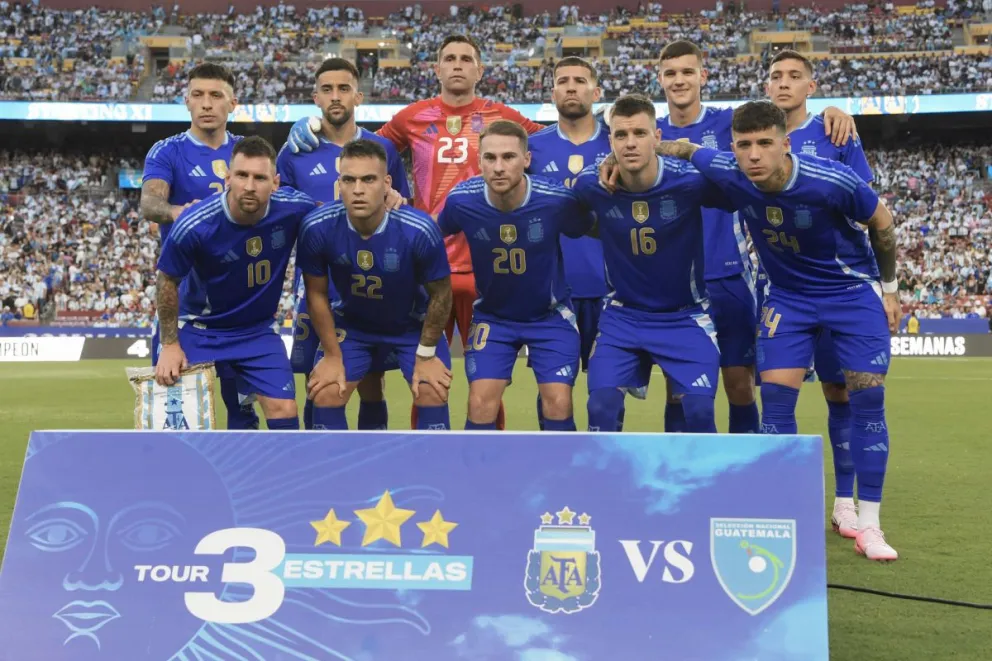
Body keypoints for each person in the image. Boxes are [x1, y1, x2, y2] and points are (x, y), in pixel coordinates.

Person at [657, 100, 900, 561]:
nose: (753, 155)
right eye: (744, 145)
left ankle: (869, 524)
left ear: (785, 144)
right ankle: (783, 512)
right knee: (777, 401)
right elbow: (687, 149)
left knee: (867, 399)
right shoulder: (729, 170)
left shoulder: (831, 181)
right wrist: (625, 153)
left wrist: (889, 289)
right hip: (788, 300)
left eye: (765, 144)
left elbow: (882, 223)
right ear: (733, 147)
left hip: (850, 296)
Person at [287, 34, 549, 429]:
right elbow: (364, 148)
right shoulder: (412, 116)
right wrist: (315, 127)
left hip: (487, 265)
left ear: (480, 70)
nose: (457, 65)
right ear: (437, 68)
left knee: (486, 383)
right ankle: (424, 454)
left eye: (466, 59)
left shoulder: (504, 117)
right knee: (423, 376)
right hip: (428, 267)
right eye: (449, 58)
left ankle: (488, 457)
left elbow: (553, 145)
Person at [601, 40, 857, 436]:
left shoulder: (729, 122)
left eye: (688, 71)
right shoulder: (646, 133)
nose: (680, 80)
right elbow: (615, 144)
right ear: (660, 79)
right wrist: (610, 157)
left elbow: (779, 117)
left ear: (703, 76)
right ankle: (684, 480)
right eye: (671, 73)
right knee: (679, 390)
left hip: (727, 272)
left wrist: (830, 110)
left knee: (739, 384)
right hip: (673, 285)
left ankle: (744, 480)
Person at [767, 49, 876, 540]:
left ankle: (844, 502)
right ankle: (783, 500)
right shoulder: (753, 136)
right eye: (775, 76)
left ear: (812, 87)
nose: (784, 83)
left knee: (841, 391)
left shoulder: (835, 132)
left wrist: (837, 111)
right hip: (780, 288)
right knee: (773, 394)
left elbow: (863, 206)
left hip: (836, 285)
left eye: (795, 76)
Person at [574, 94, 731, 434]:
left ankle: (693, 485)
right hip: (623, 315)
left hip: (685, 314)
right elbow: (570, 218)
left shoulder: (689, 181)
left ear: (657, 137)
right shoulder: (593, 184)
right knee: (600, 406)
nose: (630, 143)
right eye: (621, 135)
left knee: (700, 412)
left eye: (640, 134)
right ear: (610, 141)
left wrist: (691, 151)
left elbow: (741, 181)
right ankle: (609, 486)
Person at [276, 57, 409, 431]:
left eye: (344, 88)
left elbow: (403, 208)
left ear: (358, 96)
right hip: (317, 284)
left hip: (371, 284)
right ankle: (316, 462)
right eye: (328, 89)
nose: (336, 97)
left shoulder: (382, 148)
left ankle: (370, 460)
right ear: (315, 97)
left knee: (371, 382)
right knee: (317, 382)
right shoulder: (293, 153)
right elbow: (280, 217)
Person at [437, 120, 593, 430]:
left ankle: (561, 477)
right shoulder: (461, 201)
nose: (498, 167)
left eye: (508, 157)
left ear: (526, 160)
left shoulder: (556, 199)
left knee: (559, 402)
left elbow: (588, 226)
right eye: (489, 158)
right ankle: (479, 476)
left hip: (550, 317)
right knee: (480, 403)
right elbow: (432, 235)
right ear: (478, 159)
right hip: (494, 319)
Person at [154, 136, 315, 431]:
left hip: (257, 330)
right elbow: (166, 281)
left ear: (276, 182)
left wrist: (388, 198)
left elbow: (337, 216)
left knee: (285, 409)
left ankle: (282, 477)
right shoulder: (195, 224)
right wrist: (169, 344)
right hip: (201, 329)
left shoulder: (295, 208)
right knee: (178, 420)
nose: (250, 186)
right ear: (228, 178)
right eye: (242, 175)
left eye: (260, 177)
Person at [298, 140, 453, 430]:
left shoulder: (418, 229)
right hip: (353, 326)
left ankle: (435, 472)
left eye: (368, 179)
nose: (358, 189)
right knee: (328, 391)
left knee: (432, 390)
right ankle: (336, 473)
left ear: (387, 183)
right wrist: (332, 355)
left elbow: (441, 295)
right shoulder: (317, 227)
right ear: (339, 184)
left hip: (411, 326)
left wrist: (427, 354)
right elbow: (316, 293)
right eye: (349, 180)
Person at [141, 62, 259, 430]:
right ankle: (180, 482)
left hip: (239, 303)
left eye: (216, 95)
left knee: (243, 410)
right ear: (186, 101)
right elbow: (149, 203)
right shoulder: (168, 151)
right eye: (197, 95)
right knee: (177, 412)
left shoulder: (248, 152)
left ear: (233, 103)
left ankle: (245, 481)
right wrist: (178, 211)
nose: (206, 103)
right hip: (184, 301)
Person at [526, 56, 621, 431]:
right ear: (552, 94)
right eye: (562, 81)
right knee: (553, 397)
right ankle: (558, 477)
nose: (570, 87)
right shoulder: (533, 147)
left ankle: (608, 476)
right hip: (552, 294)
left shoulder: (621, 139)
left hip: (612, 291)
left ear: (596, 92)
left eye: (580, 81)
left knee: (607, 398)